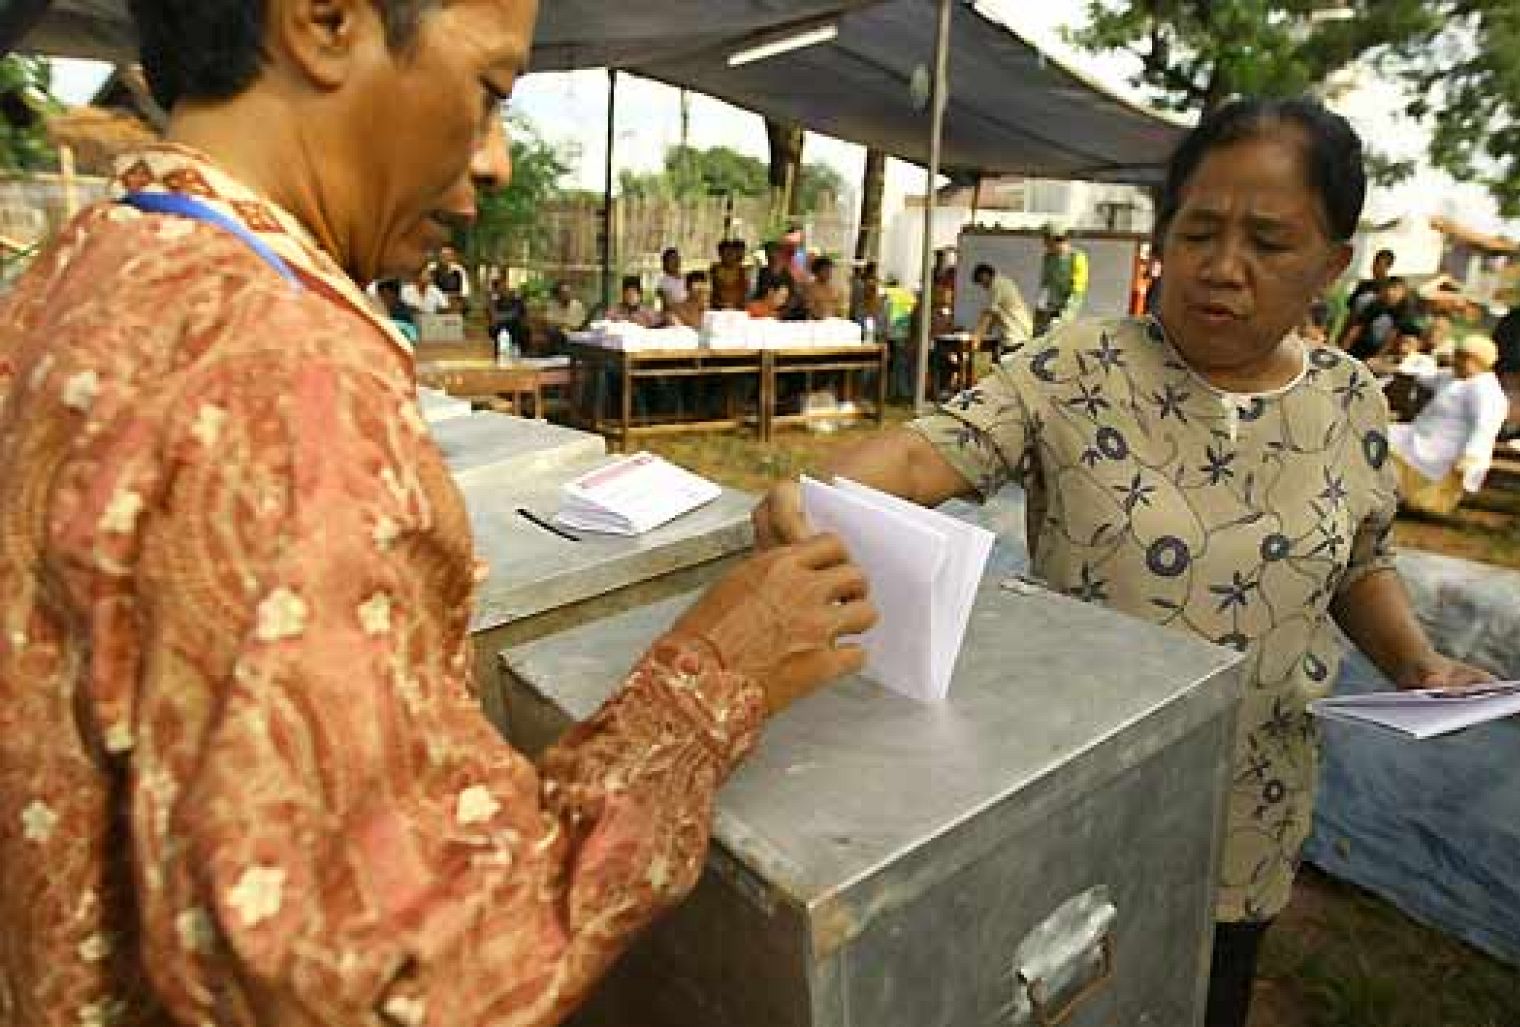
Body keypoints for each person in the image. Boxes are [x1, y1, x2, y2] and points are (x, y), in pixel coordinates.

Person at [0, 1, 878, 1023]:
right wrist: (712, 681)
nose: (495, 160)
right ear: (324, 22)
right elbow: (396, 979)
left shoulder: (78, 271)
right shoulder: (283, 378)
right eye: (488, 91)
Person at [753, 97, 1520, 1027]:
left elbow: (1360, 558)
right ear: (1161, 236)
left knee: (1205, 994)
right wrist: (821, 496)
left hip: (1251, 801)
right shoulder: (1079, 367)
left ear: (1332, 264)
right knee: (1064, 983)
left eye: (1270, 241)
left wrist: (1416, 662)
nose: (1223, 268)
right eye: (1198, 230)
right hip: (1079, 784)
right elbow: (933, 451)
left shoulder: (1348, 400)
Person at [1388, 335, 1510, 515]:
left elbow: (1484, 428)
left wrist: (1470, 457)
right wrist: (1402, 365)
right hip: (1420, 436)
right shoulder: (1453, 377)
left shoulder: (1486, 390)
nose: (1456, 361)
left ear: (1479, 361)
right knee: (1381, 437)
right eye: (1458, 356)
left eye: (1462, 358)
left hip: (1447, 449)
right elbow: (1426, 376)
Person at [1337, 274, 1424, 360]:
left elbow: (1390, 339)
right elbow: (1356, 328)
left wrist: (1377, 359)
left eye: (1397, 291)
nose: (1392, 293)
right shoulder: (1376, 304)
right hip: (1362, 344)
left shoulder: (1404, 311)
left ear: (1403, 294)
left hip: (1386, 350)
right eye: (1391, 288)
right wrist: (1341, 350)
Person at [970, 263, 1033, 354]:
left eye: (981, 281)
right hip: (1021, 334)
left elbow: (988, 314)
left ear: (985, 275)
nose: (983, 286)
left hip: (1016, 337)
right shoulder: (1004, 282)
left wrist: (977, 338)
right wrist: (986, 331)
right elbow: (995, 313)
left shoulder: (997, 285)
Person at [1037, 225, 1089, 330]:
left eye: (1046, 239)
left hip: (1068, 310)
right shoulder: (1048, 258)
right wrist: (1041, 306)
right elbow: (1045, 283)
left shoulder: (1077, 257)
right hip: (1050, 308)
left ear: (1055, 239)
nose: (1044, 244)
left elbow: (1077, 292)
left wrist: (1064, 317)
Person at [1344, 248, 1395, 322]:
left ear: (1388, 267)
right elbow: (1351, 313)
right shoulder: (1363, 284)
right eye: (1374, 262)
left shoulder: (1390, 289)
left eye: (1378, 263)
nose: (1374, 266)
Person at [487, 276, 530, 355]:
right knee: (495, 330)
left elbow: (518, 314)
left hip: (515, 328)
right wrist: (492, 301)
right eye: (500, 288)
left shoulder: (517, 300)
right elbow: (494, 318)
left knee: (522, 330)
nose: (504, 289)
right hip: (501, 330)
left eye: (505, 287)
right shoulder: (494, 302)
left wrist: (501, 317)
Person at [373, 276, 418, 343]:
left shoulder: (403, 314)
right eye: (379, 295)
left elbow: (413, 336)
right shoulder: (377, 309)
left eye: (384, 295)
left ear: (394, 294)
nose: (381, 299)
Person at [802, 256, 848, 320]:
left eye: (830, 269)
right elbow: (810, 309)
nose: (829, 272)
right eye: (825, 269)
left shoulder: (836, 287)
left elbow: (841, 307)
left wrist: (838, 316)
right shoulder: (810, 288)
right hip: (817, 322)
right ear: (816, 271)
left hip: (835, 322)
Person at [710, 239, 751, 311]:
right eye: (725, 254)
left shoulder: (742, 271)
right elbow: (711, 292)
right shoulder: (714, 270)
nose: (728, 257)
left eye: (730, 253)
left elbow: (745, 292)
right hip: (718, 308)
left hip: (738, 309)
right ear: (720, 254)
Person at [431, 242, 471, 312]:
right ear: (438, 256)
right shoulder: (432, 269)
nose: (445, 258)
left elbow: (464, 292)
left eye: (448, 255)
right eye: (443, 255)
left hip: (454, 304)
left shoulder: (459, 270)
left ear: (453, 256)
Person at [656, 246, 688, 311]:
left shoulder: (686, 278)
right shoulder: (663, 283)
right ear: (665, 263)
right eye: (671, 259)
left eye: (676, 258)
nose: (675, 262)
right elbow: (667, 305)